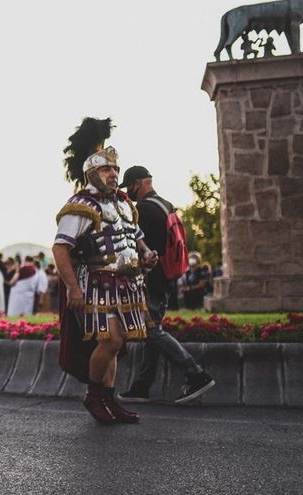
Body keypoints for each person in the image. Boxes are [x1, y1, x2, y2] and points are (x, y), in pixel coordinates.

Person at [53, 117, 157, 425]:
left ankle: (110, 399)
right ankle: (94, 395)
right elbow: (61, 248)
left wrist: (147, 254)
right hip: (97, 283)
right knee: (110, 340)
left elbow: (135, 236)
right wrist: (73, 288)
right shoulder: (80, 205)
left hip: (126, 284)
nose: (113, 174)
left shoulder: (124, 203)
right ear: (90, 173)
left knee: (117, 343)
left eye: (114, 169)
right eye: (105, 169)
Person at [117, 166, 216, 404]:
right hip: (168, 278)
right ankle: (142, 385)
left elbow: (140, 250)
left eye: (129, 186)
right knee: (152, 331)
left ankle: (196, 374)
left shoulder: (143, 210)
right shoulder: (166, 205)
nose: (128, 192)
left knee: (151, 330)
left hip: (153, 279)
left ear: (138, 183)